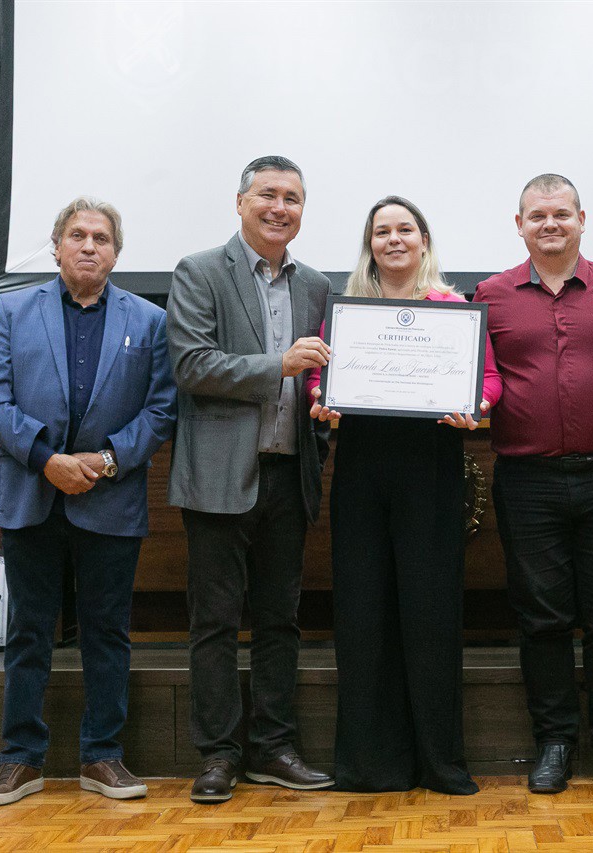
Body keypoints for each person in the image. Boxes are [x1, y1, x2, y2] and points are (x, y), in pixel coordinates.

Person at [0, 197, 176, 806]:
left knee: (106, 633)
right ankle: (20, 759)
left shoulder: (148, 320)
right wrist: (47, 461)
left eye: (102, 238)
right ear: (57, 245)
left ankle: (103, 756)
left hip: (110, 497)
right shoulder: (11, 310)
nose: (90, 247)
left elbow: (162, 409)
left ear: (118, 252)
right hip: (30, 492)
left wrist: (108, 460)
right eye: (78, 236)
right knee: (29, 632)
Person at [474, 174, 593, 794]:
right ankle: (554, 742)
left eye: (561, 214)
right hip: (526, 481)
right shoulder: (491, 295)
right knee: (542, 617)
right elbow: (480, 377)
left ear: (583, 218)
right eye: (537, 215)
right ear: (519, 224)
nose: (549, 224)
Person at [305, 195, 502, 795]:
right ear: (370, 245)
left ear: (423, 240)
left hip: (432, 471)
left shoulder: (455, 310)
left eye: (405, 230)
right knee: (363, 615)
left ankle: (439, 763)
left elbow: (489, 380)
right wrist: (321, 397)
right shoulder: (346, 313)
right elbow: (320, 376)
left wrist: (480, 407)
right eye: (382, 232)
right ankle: (369, 765)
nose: (394, 239)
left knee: (430, 615)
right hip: (362, 473)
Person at [166, 155, 333, 803]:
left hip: (291, 473)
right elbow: (191, 363)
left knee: (279, 619)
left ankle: (273, 746)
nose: (279, 207)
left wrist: (323, 414)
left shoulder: (317, 285)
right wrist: (279, 365)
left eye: (292, 197)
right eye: (268, 194)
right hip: (218, 476)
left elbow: (320, 376)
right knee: (213, 620)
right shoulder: (200, 271)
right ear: (240, 202)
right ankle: (217, 754)